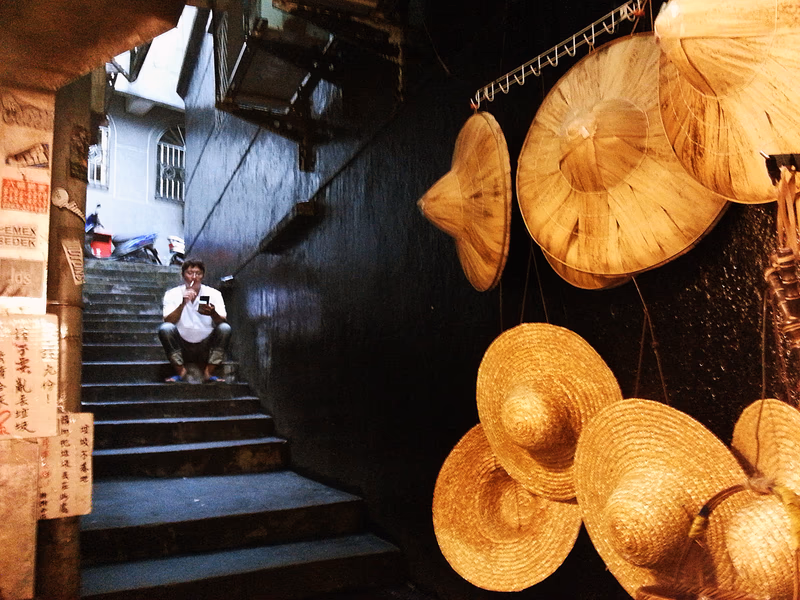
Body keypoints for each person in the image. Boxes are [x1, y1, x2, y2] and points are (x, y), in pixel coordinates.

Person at [158, 259, 231, 383]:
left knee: (225, 328)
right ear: (183, 275)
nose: (194, 277)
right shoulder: (172, 293)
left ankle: (208, 372)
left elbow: (222, 321)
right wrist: (182, 303)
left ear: (203, 276)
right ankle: (181, 372)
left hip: (205, 347)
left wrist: (213, 313)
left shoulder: (213, 293)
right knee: (165, 329)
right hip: (182, 346)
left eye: (198, 273)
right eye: (190, 273)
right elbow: (168, 321)